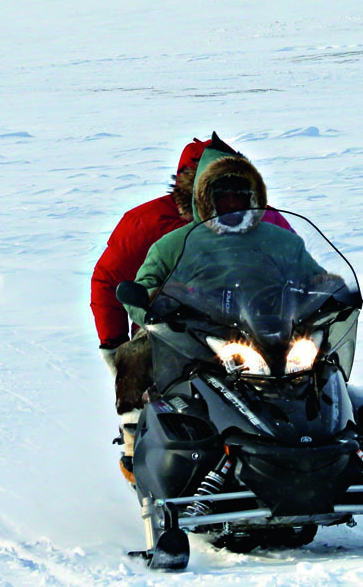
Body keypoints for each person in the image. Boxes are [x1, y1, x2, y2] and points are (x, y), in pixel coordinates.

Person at [112, 143, 322, 481]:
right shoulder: (176, 243)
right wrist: (153, 303)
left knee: (318, 364)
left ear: (254, 198)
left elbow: (311, 274)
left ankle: (332, 447)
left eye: (240, 198)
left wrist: (330, 294)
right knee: (137, 354)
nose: (232, 206)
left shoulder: (280, 240)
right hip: (196, 330)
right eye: (223, 199)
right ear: (205, 199)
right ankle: (135, 439)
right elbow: (143, 283)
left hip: (269, 328)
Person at [90, 134, 287, 374]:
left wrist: (324, 299)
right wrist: (114, 343)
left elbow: (297, 264)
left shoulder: (266, 219)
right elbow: (110, 280)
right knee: (142, 376)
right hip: (170, 331)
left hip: (254, 327)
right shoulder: (148, 223)